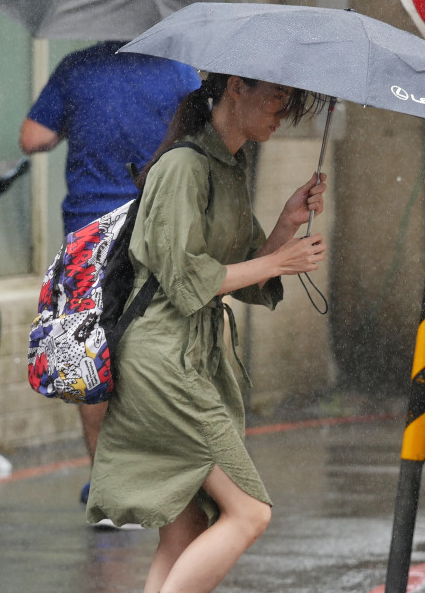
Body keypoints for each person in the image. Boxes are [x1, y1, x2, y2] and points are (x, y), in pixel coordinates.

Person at [86, 72, 328, 593]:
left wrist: (286, 224)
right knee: (248, 512)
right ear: (236, 88)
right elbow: (185, 278)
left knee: (186, 530)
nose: (282, 113)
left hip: (189, 356)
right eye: (278, 98)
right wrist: (282, 261)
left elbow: (242, 271)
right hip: (162, 360)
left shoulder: (228, 168)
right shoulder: (183, 167)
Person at [19, 40, 200, 504]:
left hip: (89, 234)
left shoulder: (77, 67)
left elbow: (32, 138)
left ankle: (105, 485)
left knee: (87, 354)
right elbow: (201, 140)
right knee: (156, 348)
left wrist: (74, 125)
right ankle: (159, 475)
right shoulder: (178, 72)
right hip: (155, 226)